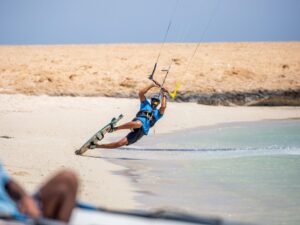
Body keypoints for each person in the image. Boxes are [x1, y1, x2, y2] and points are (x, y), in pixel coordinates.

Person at [91, 82, 168, 149]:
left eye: (157, 101)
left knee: (120, 143)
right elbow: (141, 93)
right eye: (154, 100)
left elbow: (163, 106)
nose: (155, 102)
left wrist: (164, 94)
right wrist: (152, 85)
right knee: (139, 123)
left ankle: (96, 146)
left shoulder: (158, 114)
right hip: (136, 123)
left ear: (158, 103)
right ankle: (115, 129)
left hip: (141, 132)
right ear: (151, 100)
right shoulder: (145, 105)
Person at [0, 162, 78, 223]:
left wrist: (26, 199)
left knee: (68, 177)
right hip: (6, 215)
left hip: (17, 205)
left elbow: (7, 181)